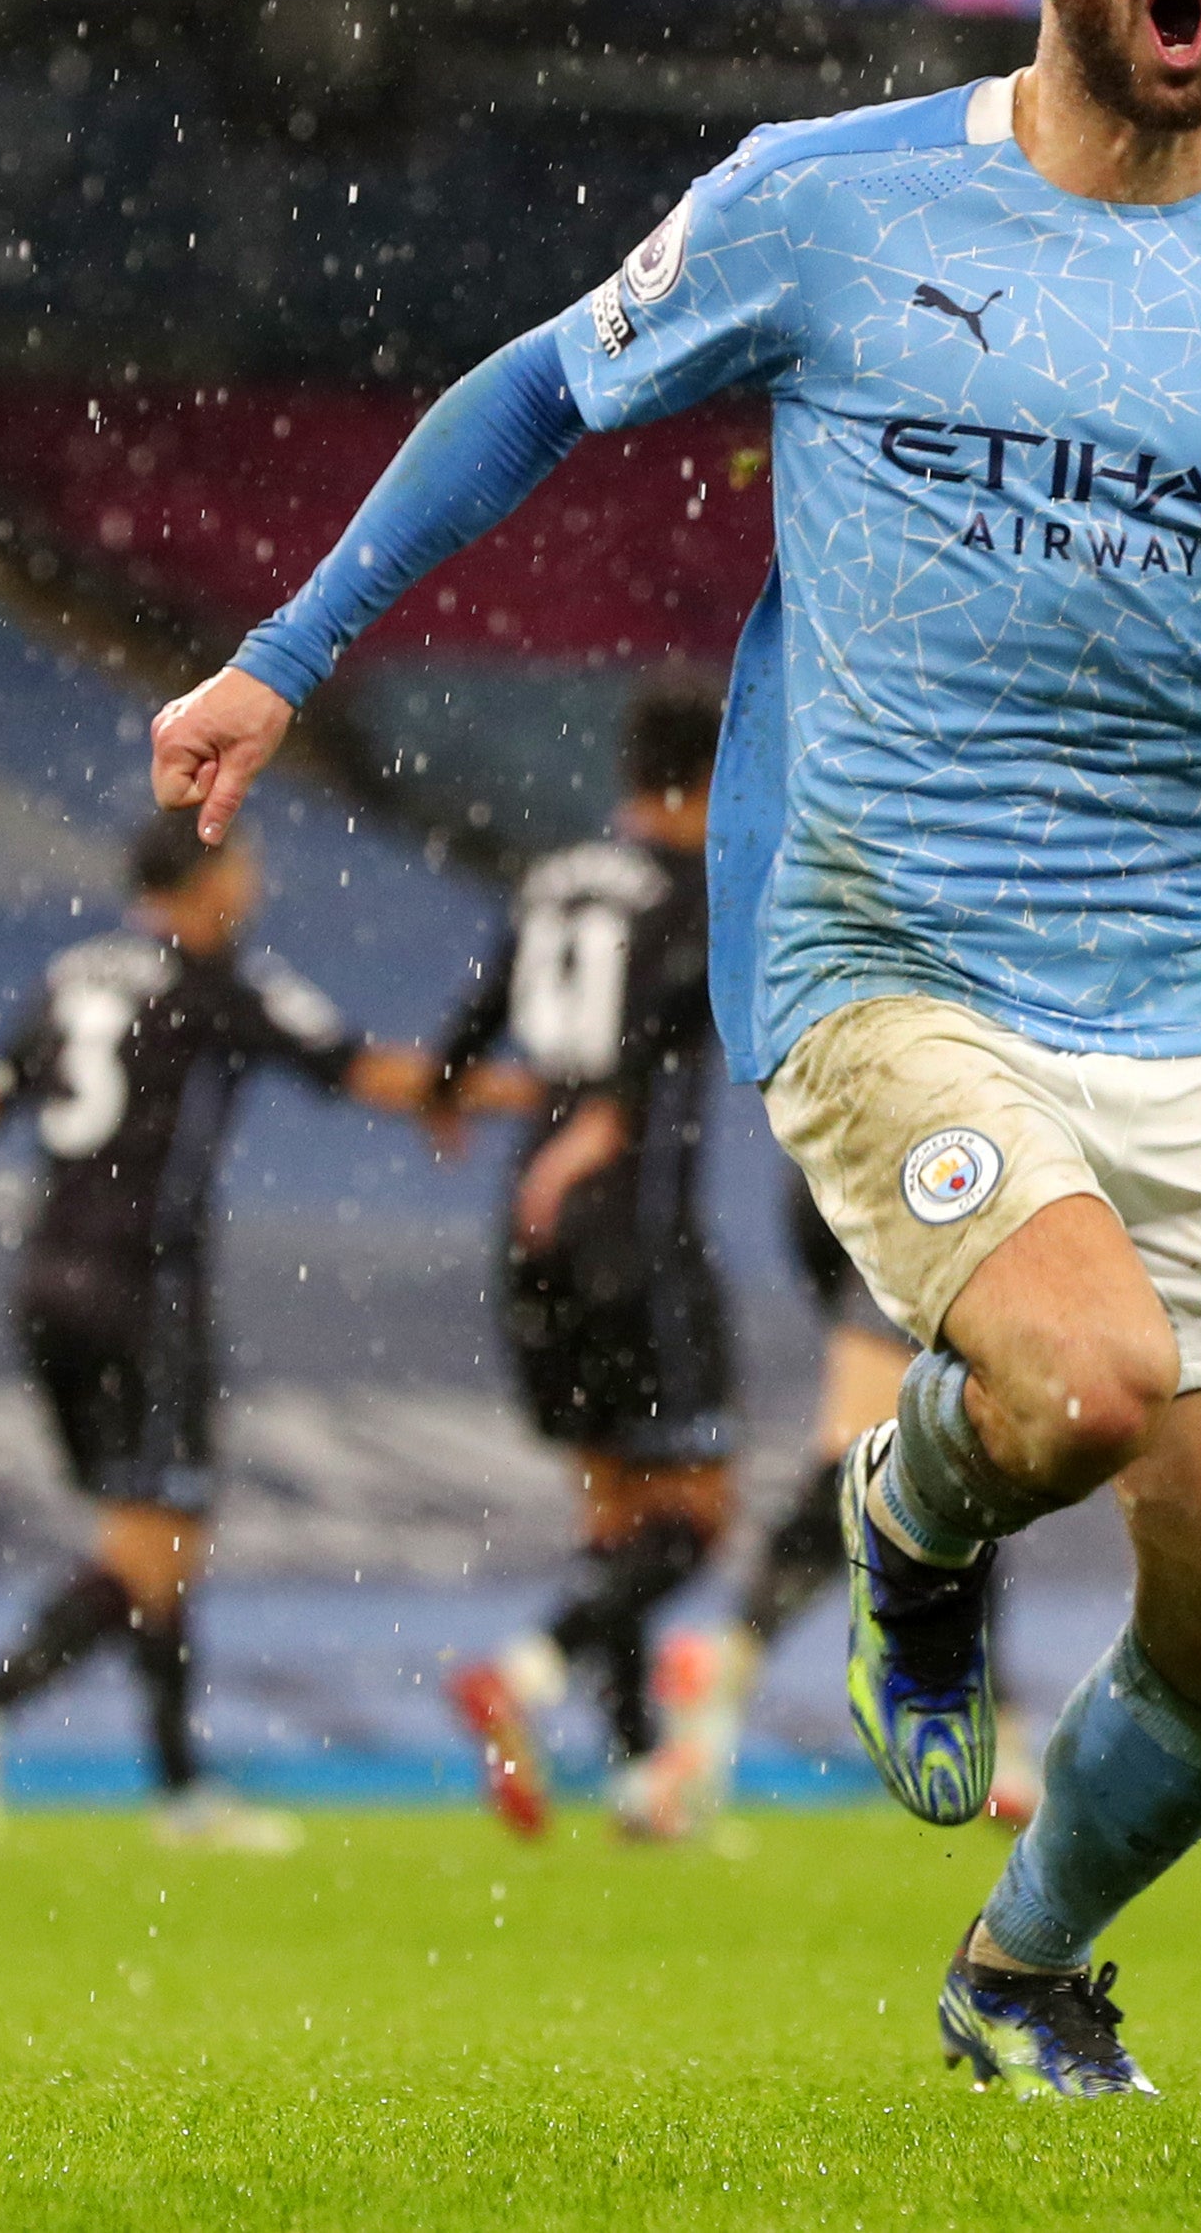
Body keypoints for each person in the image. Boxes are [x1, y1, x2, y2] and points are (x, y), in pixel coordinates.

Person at [140, 0, 1201, 2093]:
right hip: (878, 950)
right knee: (1086, 1376)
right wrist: (285, 653)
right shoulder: (823, 200)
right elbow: (534, 386)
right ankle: (911, 1525)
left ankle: (1021, 1965)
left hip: (1171, 999)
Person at [0, 810, 441, 1849]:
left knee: (146, 1533)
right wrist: (522, 1093)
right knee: (158, 1543)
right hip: (144, 1286)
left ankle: (179, 1788)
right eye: (246, 861)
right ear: (207, 878)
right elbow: (363, 1070)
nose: (258, 880)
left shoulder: (76, 971)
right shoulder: (216, 979)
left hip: (50, 1278)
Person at [432, 673, 739, 1840]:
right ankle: (529, 1669)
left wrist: (453, 1085)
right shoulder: (694, 886)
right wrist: (614, 1104)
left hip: (534, 1224)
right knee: (695, 1518)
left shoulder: (555, 876)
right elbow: (665, 1007)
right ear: (710, 778)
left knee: (615, 1518)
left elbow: (484, 1004)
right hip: (634, 1224)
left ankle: (633, 1774)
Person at [638, 1173, 1039, 1834]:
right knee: (901, 1456)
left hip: (906, 1178)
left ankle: (726, 1665)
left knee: (953, 1464)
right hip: (923, 1174)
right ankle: (727, 1664)